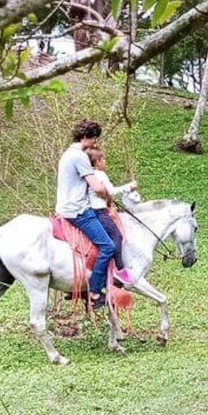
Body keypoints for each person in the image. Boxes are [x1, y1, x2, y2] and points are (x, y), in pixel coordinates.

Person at [56, 120, 130, 310]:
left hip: (65, 206)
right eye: (94, 138)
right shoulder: (80, 156)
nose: (95, 142)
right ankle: (95, 292)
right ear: (85, 137)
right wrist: (106, 196)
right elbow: (96, 186)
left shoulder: (67, 154)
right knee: (108, 245)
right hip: (78, 210)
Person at [86, 147, 137, 279]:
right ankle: (119, 268)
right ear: (97, 161)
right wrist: (129, 186)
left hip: (92, 210)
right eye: (103, 159)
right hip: (100, 212)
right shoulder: (100, 175)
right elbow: (112, 191)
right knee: (117, 236)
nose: (105, 162)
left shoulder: (88, 174)